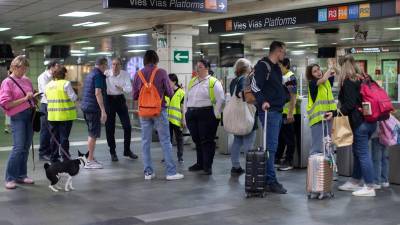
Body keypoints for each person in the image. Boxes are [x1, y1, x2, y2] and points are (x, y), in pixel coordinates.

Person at [132, 50, 184, 181]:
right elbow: (170, 93)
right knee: (165, 141)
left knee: (145, 142)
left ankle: (148, 172)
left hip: (144, 112)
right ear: (156, 60)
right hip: (159, 111)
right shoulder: (161, 72)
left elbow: (134, 95)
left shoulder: (138, 74)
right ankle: (171, 172)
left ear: (145, 60)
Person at [251, 41, 288, 194]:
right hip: (269, 111)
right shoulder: (262, 66)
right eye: (283, 52)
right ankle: (270, 180)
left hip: (277, 111)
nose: (284, 55)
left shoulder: (276, 68)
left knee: (272, 146)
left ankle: (269, 178)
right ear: (277, 51)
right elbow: (254, 86)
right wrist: (263, 101)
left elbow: (276, 87)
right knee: (271, 148)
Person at [337, 55, 377, 197]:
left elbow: (349, 104)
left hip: (360, 123)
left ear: (343, 66)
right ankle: (354, 181)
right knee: (358, 152)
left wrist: (335, 113)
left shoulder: (349, 81)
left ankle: (369, 186)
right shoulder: (365, 78)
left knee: (363, 154)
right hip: (370, 121)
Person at [0, 55, 38, 189]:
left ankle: (21, 175)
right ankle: (10, 178)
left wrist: (34, 96)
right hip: (17, 117)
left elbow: (29, 95)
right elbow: (6, 104)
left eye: (26, 68)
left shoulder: (26, 80)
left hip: (29, 115)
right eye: (22, 68)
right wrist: (24, 99)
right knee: (18, 147)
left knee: (26, 147)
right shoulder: (7, 82)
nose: (24, 71)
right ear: (14, 67)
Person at [185, 59, 225, 175]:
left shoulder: (213, 82)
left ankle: (207, 166)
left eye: (200, 66)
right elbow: (187, 97)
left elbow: (221, 99)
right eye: (197, 66)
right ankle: (200, 163)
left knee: (207, 140)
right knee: (197, 140)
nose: (197, 69)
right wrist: (186, 112)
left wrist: (215, 112)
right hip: (192, 113)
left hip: (206, 114)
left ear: (207, 68)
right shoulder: (192, 81)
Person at [105, 57, 138, 162]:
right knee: (110, 128)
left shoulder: (125, 74)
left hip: (120, 99)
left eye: (117, 64)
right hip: (109, 100)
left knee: (127, 126)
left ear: (120, 66)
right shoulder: (106, 74)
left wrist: (122, 88)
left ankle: (127, 150)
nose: (115, 66)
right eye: (113, 64)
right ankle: (112, 152)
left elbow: (129, 89)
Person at [229, 58, 257, 175]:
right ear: (247, 68)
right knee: (248, 143)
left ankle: (235, 166)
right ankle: (250, 167)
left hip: (237, 115)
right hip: (246, 115)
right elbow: (244, 96)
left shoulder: (233, 80)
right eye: (250, 67)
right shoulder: (245, 80)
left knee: (237, 141)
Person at [81, 57, 109, 169]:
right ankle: (89, 160)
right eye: (106, 65)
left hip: (87, 107)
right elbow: (98, 93)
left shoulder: (91, 74)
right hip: (93, 108)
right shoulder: (98, 75)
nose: (106, 67)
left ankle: (90, 158)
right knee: (93, 134)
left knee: (91, 133)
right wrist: (103, 110)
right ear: (103, 65)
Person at [45, 67, 77, 162]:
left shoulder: (49, 85)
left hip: (52, 116)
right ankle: (65, 156)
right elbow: (73, 98)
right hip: (65, 116)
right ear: (64, 74)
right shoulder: (66, 83)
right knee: (64, 138)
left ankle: (54, 157)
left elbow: (47, 97)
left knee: (54, 138)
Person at [305, 63, 337, 156]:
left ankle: (326, 169)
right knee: (317, 148)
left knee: (328, 146)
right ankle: (316, 169)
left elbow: (333, 74)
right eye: (315, 71)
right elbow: (323, 79)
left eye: (318, 69)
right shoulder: (312, 83)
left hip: (328, 119)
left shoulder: (326, 83)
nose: (318, 72)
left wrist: (332, 70)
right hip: (317, 121)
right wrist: (330, 68)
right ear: (311, 75)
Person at [275, 58, 299, 171]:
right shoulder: (281, 76)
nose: (278, 68)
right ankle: (278, 158)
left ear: (285, 65)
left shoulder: (290, 77)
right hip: (280, 112)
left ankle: (289, 161)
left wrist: (290, 113)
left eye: (279, 66)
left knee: (289, 138)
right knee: (281, 137)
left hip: (287, 113)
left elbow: (293, 96)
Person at [37, 60, 60, 161]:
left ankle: (52, 151)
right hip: (46, 105)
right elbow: (46, 91)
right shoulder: (43, 77)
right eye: (58, 67)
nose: (59, 69)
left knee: (53, 130)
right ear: (52, 67)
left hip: (54, 105)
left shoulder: (54, 77)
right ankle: (43, 153)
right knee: (45, 130)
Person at [165, 73, 185, 163]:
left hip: (177, 120)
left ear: (174, 81)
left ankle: (180, 156)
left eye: (168, 81)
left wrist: (183, 119)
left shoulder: (181, 92)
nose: (167, 83)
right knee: (167, 139)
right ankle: (167, 156)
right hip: (167, 119)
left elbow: (183, 107)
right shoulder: (166, 92)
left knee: (179, 139)